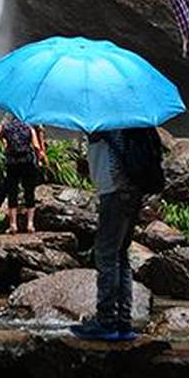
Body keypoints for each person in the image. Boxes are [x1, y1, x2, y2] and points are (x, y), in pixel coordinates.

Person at [68, 128, 146, 342]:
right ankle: (123, 321)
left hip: (115, 190)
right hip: (131, 190)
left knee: (106, 255)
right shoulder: (124, 122)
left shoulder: (104, 124)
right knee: (121, 255)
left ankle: (106, 321)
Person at [0, 114, 44, 233]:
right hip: (27, 162)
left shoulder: (7, 128)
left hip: (12, 163)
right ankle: (30, 224)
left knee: (12, 192)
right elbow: (36, 147)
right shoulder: (29, 128)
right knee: (29, 192)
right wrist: (38, 159)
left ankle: (13, 225)